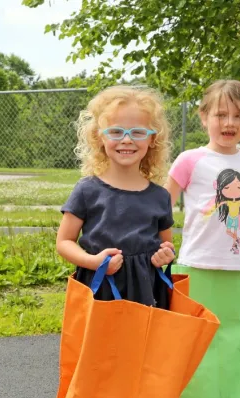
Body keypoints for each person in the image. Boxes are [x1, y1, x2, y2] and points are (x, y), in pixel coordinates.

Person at [164, 79, 240, 398]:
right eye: (221, 113)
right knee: (196, 344)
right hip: (195, 266)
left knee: (239, 344)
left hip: (238, 272)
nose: (229, 122)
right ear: (203, 115)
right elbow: (161, 206)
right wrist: (163, 245)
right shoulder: (190, 159)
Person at [57, 85, 176, 308]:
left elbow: (166, 244)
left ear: (152, 140)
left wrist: (166, 255)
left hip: (147, 291)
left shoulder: (160, 196)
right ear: (99, 137)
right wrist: (92, 261)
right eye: (116, 132)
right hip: (100, 286)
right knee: (102, 342)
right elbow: (64, 241)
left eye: (138, 132)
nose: (127, 140)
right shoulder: (87, 190)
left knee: (144, 342)